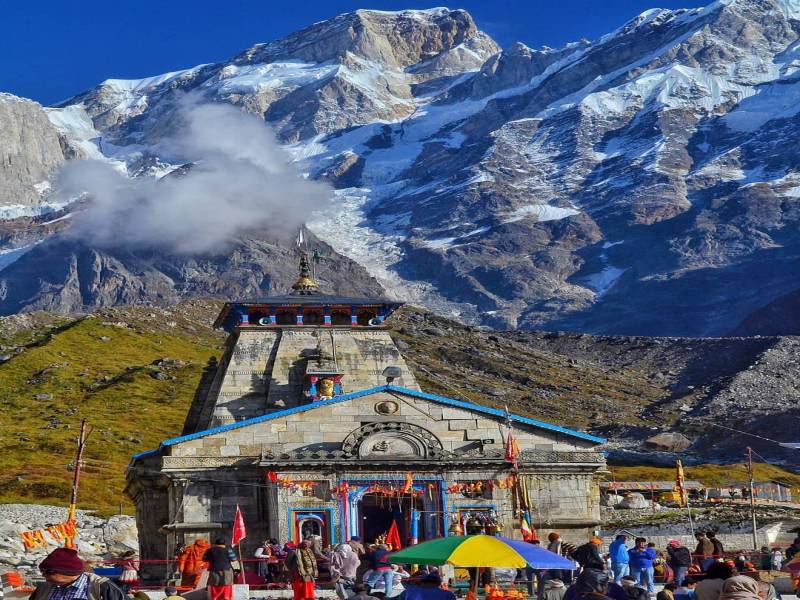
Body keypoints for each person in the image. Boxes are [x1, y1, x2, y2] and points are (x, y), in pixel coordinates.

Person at [30, 547, 126, 600]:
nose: (44, 575)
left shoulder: (103, 587)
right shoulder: (43, 589)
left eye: (48, 572)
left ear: (69, 571)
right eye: (42, 571)